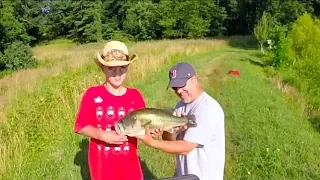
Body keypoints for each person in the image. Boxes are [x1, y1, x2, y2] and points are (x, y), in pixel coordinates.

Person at [137, 62, 225, 180]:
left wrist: (152, 142)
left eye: (182, 85)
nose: (178, 91)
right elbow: (168, 138)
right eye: (175, 87)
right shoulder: (181, 104)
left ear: (194, 79)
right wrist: (172, 131)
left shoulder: (208, 108)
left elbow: (186, 148)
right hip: (183, 175)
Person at [74, 40, 146, 180]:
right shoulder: (92, 94)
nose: (118, 74)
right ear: (102, 68)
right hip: (103, 172)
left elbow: (144, 130)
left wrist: (152, 132)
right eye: (112, 69)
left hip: (131, 170)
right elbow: (80, 126)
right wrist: (103, 135)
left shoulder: (135, 96)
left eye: (122, 68)